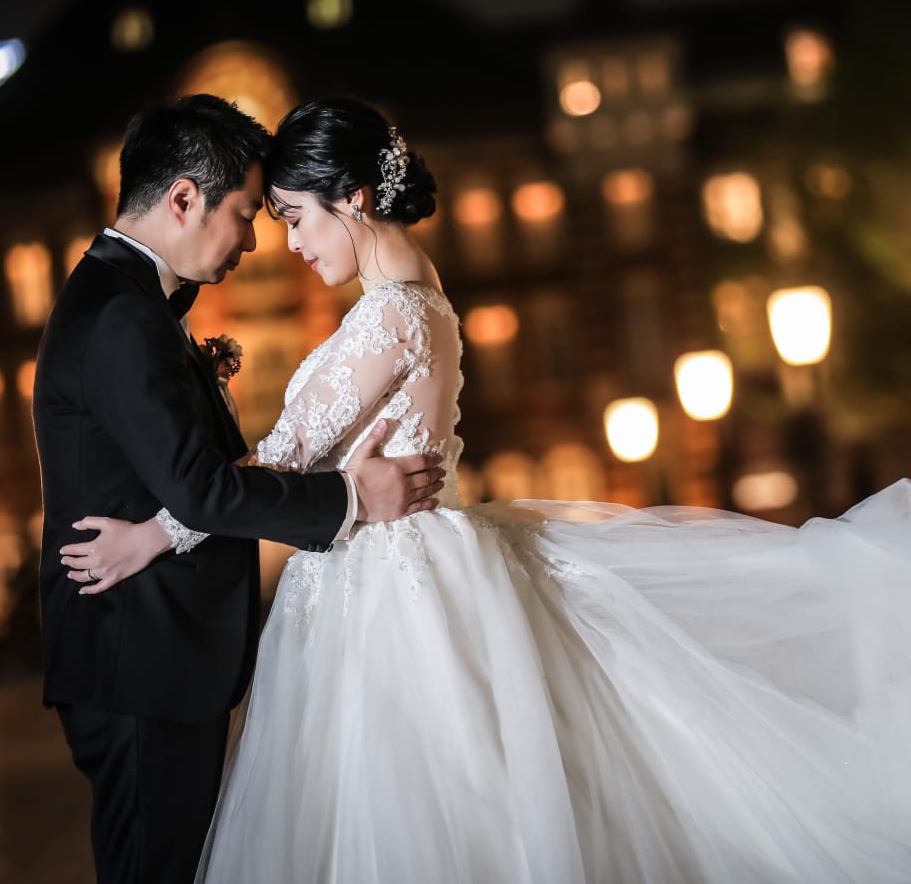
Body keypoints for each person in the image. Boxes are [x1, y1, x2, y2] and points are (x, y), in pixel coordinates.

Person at [65, 98, 911, 883]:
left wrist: (148, 535)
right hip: (395, 573)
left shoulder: (387, 317)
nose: (284, 242)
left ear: (352, 199)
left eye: (292, 216)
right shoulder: (418, 299)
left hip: (382, 597)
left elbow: (279, 458)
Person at [32, 94, 444, 884]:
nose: (257, 240)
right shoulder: (120, 312)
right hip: (138, 656)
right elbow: (201, 488)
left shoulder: (132, 299)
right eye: (249, 212)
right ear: (184, 197)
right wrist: (355, 498)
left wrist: (156, 530)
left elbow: (193, 479)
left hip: (153, 653)